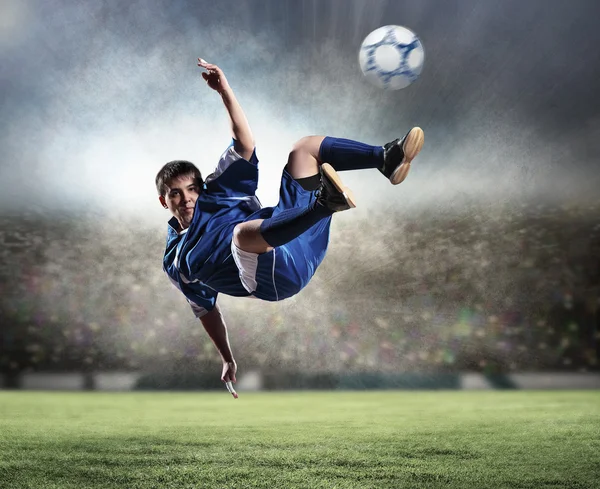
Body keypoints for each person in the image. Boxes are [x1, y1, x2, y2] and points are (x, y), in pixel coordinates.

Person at [156, 58, 424, 395]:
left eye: (192, 189)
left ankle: (386, 158)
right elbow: (206, 309)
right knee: (241, 235)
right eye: (176, 194)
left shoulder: (219, 191)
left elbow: (244, 143)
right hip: (276, 275)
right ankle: (326, 203)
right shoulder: (176, 261)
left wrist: (224, 91)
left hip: (296, 236)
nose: (187, 198)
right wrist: (226, 357)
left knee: (305, 149)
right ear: (164, 202)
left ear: (201, 187)